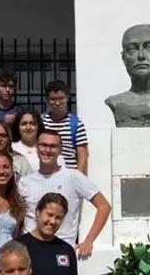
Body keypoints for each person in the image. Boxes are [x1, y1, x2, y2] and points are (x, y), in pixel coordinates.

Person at [19, 129, 111, 259]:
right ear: (37, 147)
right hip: (29, 252)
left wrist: (89, 241)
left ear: (60, 150)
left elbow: (104, 206)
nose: (48, 150)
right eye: (43, 145)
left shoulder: (73, 176)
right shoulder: (25, 182)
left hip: (61, 251)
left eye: (53, 146)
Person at [41, 79, 88, 174]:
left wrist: (78, 180)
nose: (57, 103)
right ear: (47, 100)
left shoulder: (76, 124)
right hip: (46, 176)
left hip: (69, 176)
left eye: (61, 99)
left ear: (67, 98)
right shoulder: (41, 122)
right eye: (53, 99)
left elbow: (82, 156)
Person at [11, 108, 53, 173]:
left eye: (32, 123)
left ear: (38, 126)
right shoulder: (11, 148)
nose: (28, 128)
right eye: (24, 124)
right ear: (17, 127)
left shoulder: (47, 148)